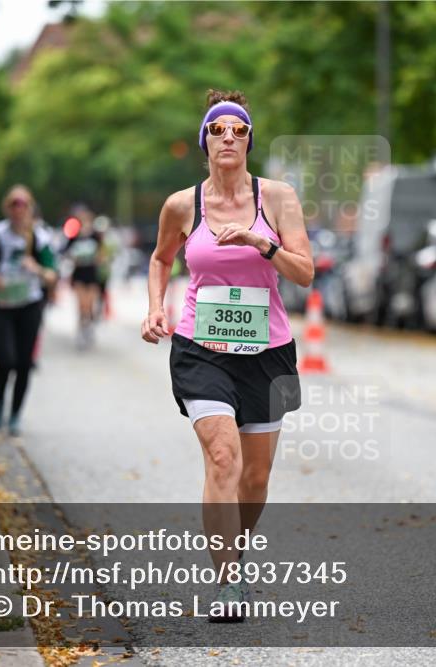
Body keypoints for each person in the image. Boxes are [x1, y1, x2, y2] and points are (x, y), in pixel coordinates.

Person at [141, 89, 313, 620]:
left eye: (239, 130)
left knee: (255, 480)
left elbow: (305, 271)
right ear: (205, 142)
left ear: (250, 142)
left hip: (268, 351)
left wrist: (262, 245)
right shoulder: (181, 205)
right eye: (218, 130)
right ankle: (227, 582)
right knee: (222, 456)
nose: (229, 137)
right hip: (201, 349)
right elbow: (159, 258)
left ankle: (233, 549)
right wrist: (155, 308)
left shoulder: (277, 198)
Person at [0, 186, 57, 436]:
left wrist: (38, 269)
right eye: (14, 205)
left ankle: (15, 415)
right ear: (7, 208)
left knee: (24, 363)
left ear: (30, 208)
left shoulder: (40, 237)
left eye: (23, 205)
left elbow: (52, 276)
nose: (18, 210)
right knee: (4, 361)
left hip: (29, 306)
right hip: (1, 305)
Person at [63, 204, 105, 349]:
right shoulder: (73, 235)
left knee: (90, 305)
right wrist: (75, 258)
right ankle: (81, 330)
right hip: (79, 273)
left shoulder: (95, 235)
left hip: (92, 273)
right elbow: (66, 252)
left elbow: (102, 253)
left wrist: (97, 258)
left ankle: (89, 327)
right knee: (81, 305)